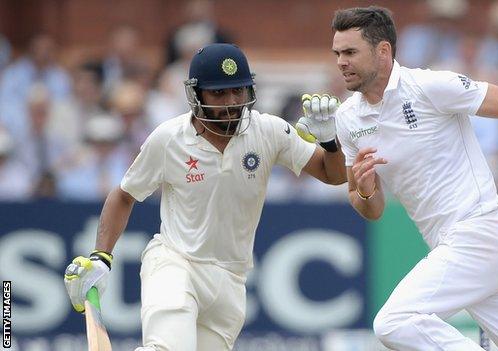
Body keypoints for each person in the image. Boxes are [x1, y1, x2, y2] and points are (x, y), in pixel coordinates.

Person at [63, 43, 346, 351]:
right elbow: (124, 196)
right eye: (219, 93)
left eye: (238, 91)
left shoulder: (269, 132)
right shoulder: (169, 138)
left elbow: (334, 175)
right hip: (176, 262)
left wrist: (330, 142)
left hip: (231, 280)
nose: (232, 102)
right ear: (196, 95)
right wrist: (101, 257)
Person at [329, 6, 498, 351]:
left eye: (350, 52)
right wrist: (366, 192)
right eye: (337, 53)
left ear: (383, 51)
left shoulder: (429, 85)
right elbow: (371, 207)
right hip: (466, 247)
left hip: (478, 231)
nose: (341, 62)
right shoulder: (347, 118)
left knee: (394, 322)